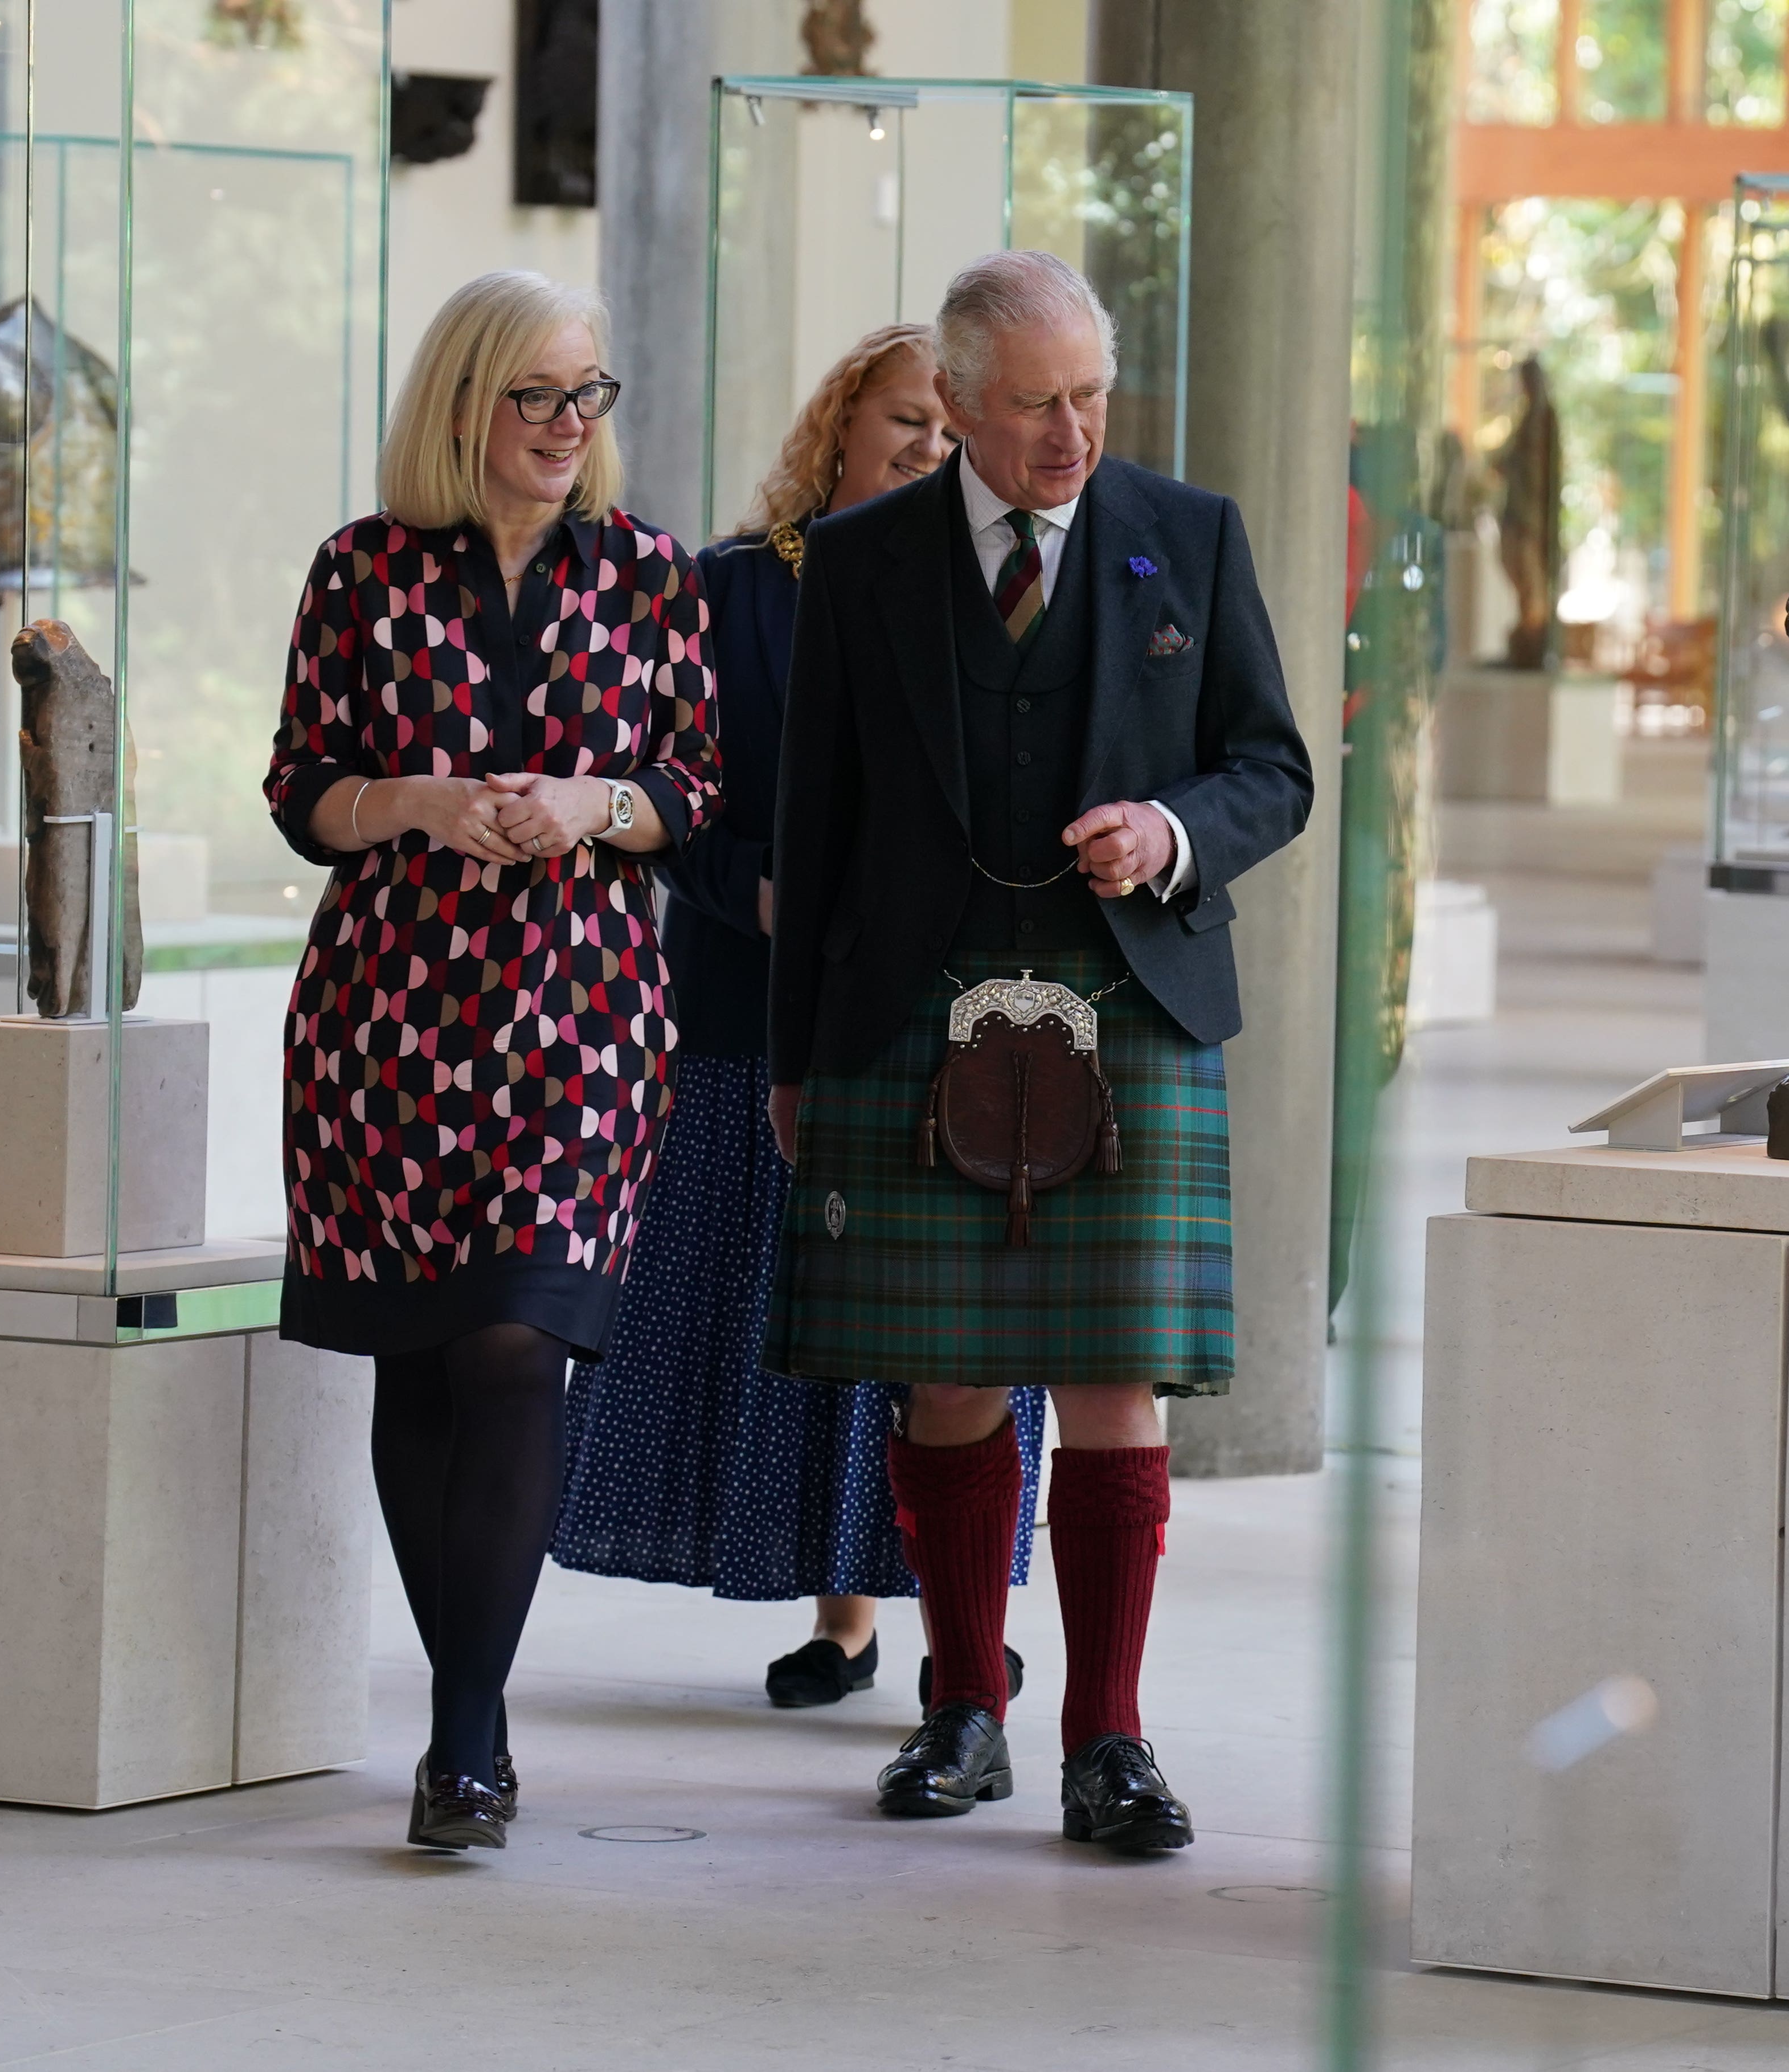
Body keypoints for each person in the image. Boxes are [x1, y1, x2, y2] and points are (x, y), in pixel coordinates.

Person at [767, 250, 1312, 1854]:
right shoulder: (860, 560)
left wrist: (1170, 829)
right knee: (945, 1377)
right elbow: (819, 814)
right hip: (910, 1009)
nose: (1072, 432)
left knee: (1111, 1380)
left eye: (1090, 395)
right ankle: (962, 1708)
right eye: (1033, 405)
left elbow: (1272, 766)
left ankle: (1112, 1737)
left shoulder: (1188, 535)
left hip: (1126, 995)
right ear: (953, 406)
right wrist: (800, 1054)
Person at [262, 271, 717, 1853]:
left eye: (588, 393)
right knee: (422, 1353)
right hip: (388, 1015)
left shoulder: (651, 570)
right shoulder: (364, 571)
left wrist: (597, 806)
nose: (567, 425)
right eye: (536, 395)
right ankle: (476, 1711)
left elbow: (696, 786)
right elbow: (301, 783)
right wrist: (415, 800)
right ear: (462, 405)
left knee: (519, 1337)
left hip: (584, 1015)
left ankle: (464, 1729)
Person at [551, 325, 1048, 1707]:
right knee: (801, 1321)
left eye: (952, 435)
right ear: (838, 424)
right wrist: (758, 896)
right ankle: (846, 1617)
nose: (927, 452)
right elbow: (655, 799)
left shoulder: (999, 588)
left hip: (951, 1019)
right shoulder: (724, 593)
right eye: (905, 421)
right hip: (749, 1017)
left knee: (945, 1332)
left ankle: (953, 1614)